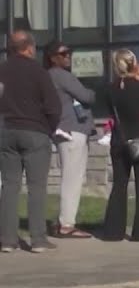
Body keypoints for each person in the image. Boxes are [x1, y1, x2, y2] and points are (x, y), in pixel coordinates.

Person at [0, 29, 60, 253]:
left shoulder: (2, 70)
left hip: (6, 131)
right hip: (35, 131)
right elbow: (53, 107)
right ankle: (38, 239)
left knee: (9, 186)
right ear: (29, 47)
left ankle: (7, 240)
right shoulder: (39, 72)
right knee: (36, 187)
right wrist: (49, 129)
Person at [101, 48, 139, 243]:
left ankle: (113, 231)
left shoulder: (109, 89)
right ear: (133, 63)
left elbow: (110, 111)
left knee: (119, 184)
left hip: (119, 140)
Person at [44, 40, 96, 238]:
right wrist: (91, 92)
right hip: (72, 129)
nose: (68, 57)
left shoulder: (49, 76)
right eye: (63, 54)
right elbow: (87, 96)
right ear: (52, 57)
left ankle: (62, 221)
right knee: (72, 178)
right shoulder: (60, 75)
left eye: (69, 53)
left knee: (70, 176)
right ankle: (67, 224)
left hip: (62, 130)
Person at [98, 62, 139, 146]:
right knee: (112, 121)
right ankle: (108, 134)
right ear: (133, 73)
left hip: (121, 137)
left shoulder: (113, 88)